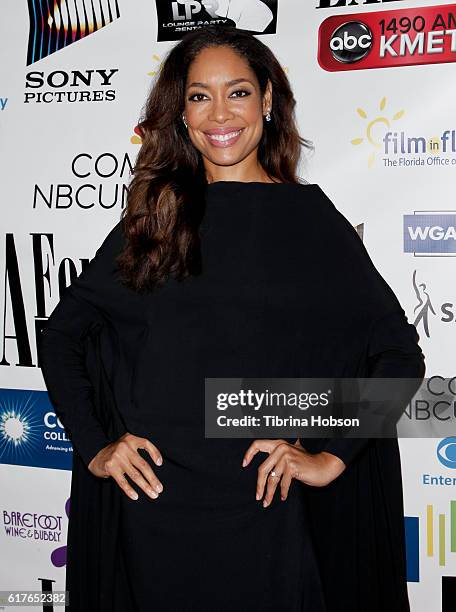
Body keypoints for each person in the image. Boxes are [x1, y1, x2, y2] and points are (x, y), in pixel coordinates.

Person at [38, 25, 425, 612]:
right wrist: (96, 446)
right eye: (199, 95)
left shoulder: (312, 223)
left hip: (266, 516)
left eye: (238, 92)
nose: (219, 113)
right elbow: (65, 334)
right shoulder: (156, 220)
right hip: (154, 513)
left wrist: (330, 454)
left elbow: (398, 355)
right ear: (181, 113)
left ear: (268, 101)